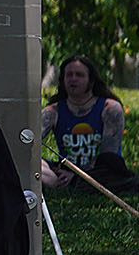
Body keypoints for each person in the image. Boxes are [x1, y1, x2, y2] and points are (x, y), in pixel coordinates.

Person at [40, 55, 126, 187]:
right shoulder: (53, 111)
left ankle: (74, 183)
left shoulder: (110, 108)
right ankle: (59, 183)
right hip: (66, 169)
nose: (73, 79)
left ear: (91, 81)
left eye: (79, 75)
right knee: (34, 164)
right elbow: (29, 140)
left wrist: (77, 176)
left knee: (112, 164)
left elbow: (109, 153)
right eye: (69, 75)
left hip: (101, 170)